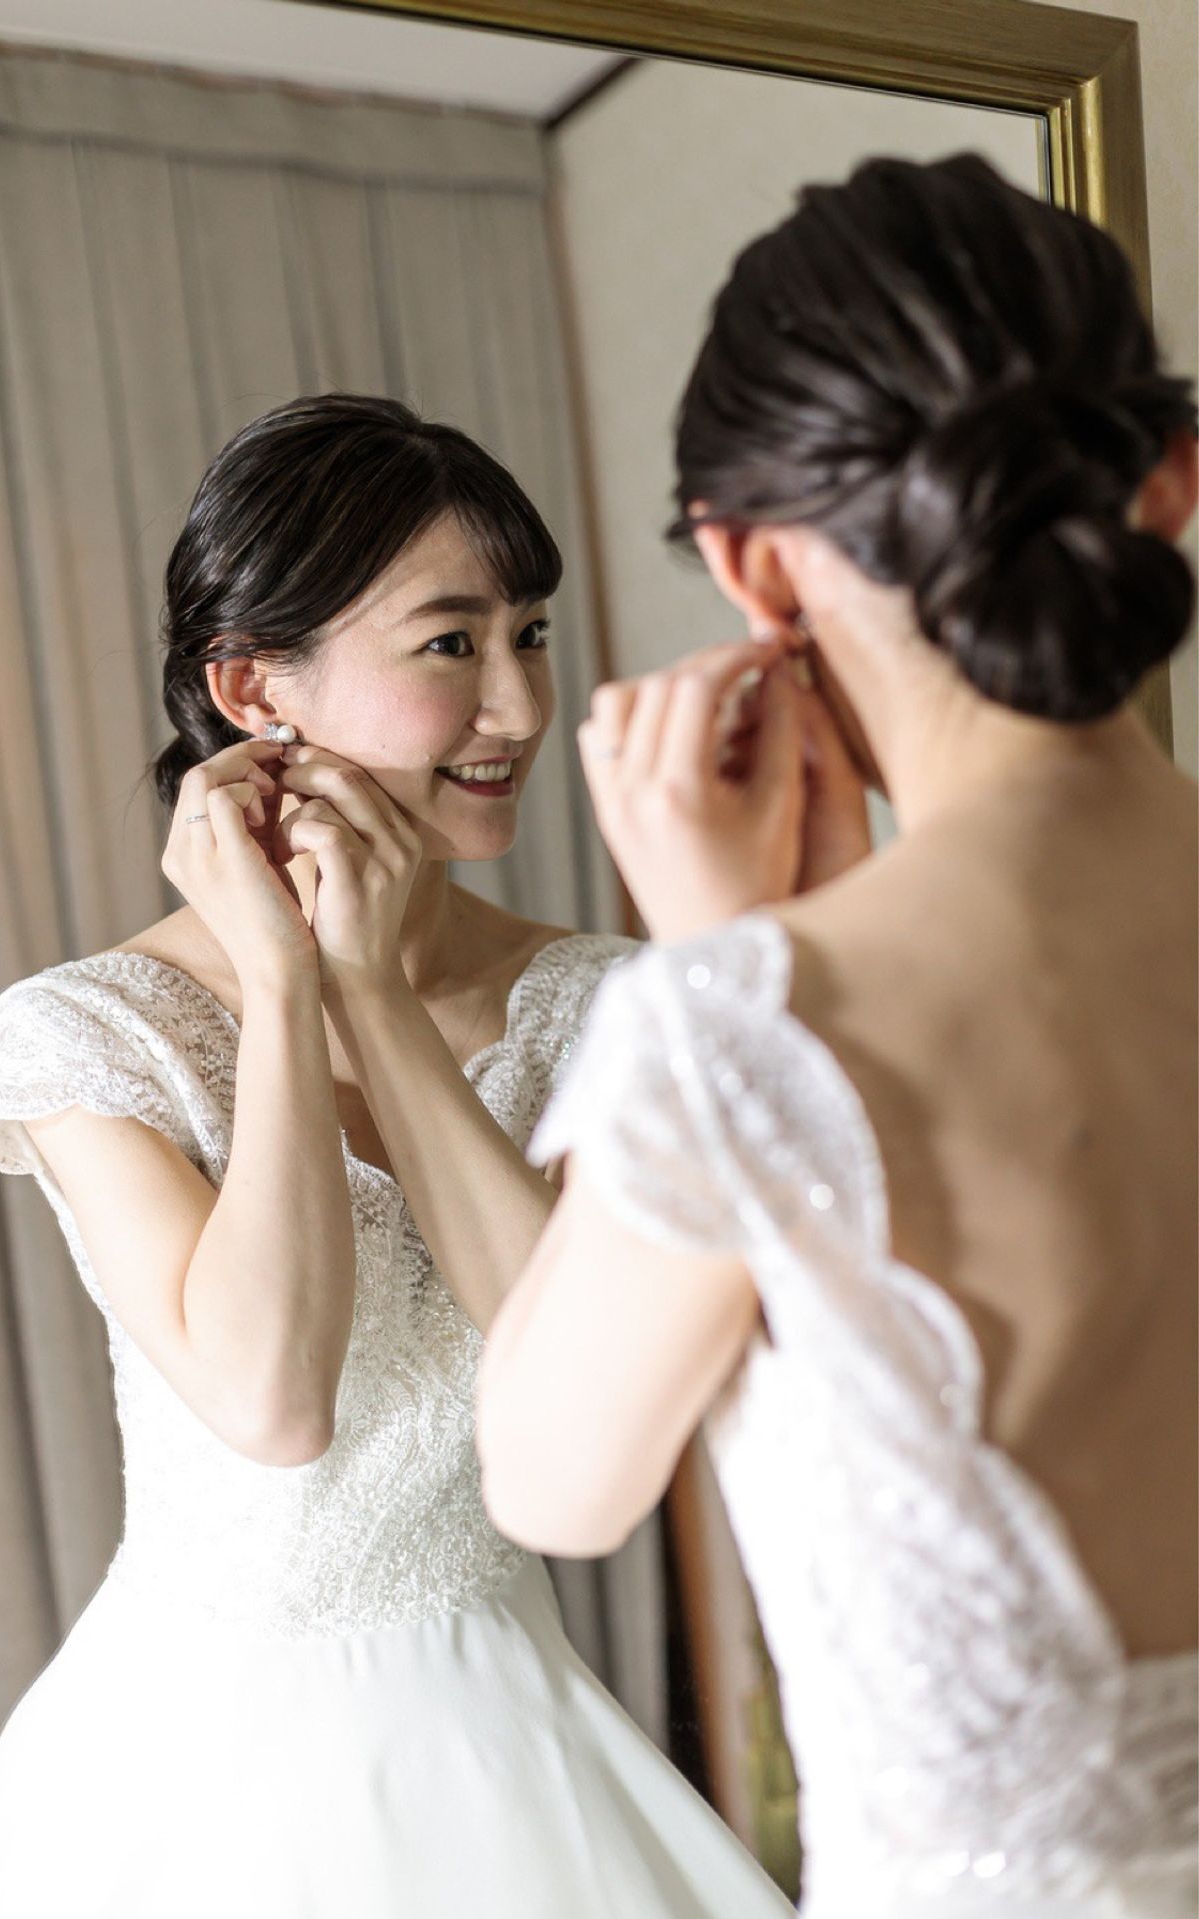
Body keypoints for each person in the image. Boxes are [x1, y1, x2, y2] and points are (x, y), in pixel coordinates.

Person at [0, 396, 792, 1917]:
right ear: (253, 687)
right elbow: (270, 1401)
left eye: (531, 635)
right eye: (451, 644)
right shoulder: (90, 1033)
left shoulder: (605, 1000)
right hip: (189, 1776)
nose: (518, 707)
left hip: (514, 1742)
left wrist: (374, 996)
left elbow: (575, 1367)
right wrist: (281, 988)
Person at [477, 156, 1199, 1918]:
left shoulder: (744, 1036)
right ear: (1169, 484)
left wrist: (725, 956)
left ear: (750, 563)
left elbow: (551, 1486)